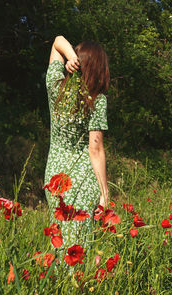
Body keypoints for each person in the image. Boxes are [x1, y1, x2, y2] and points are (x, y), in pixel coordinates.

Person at [44, 36, 110, 247]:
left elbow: (57, 41)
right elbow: (95, 149)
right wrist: (104, 193)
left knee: (60, 237)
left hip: (54, 175)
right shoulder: (97, 100)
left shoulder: (55, 86)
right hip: (82, 179)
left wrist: (70, 55)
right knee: (79, 244)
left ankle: (59, 279)